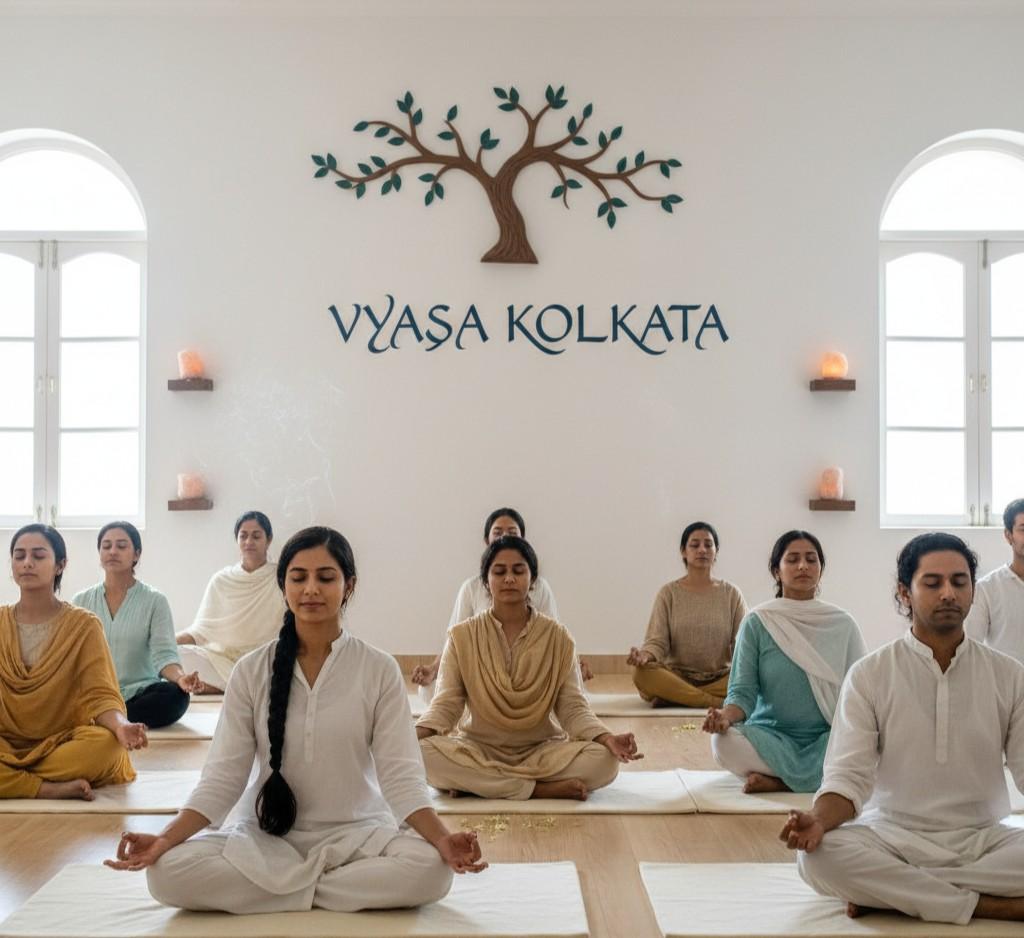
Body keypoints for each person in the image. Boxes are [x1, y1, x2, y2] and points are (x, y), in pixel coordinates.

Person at [106, 526, 486, 912]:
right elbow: (223, 777)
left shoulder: (378, 668)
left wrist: (442, 840)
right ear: (283, 585)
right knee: (168, 873)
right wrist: (164, 840)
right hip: (265, 834)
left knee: (431, 870)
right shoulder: (251, 670)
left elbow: (401, 776)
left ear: (349, 585)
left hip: (359, 834)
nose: (311, 589)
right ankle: (324, 891)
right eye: (299, 577)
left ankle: (284, 891)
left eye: (326, 578)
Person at [783, 532, 1024, 925]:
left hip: (985, 837)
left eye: (959, 582)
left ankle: (896, 894)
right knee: (818, 858)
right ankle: (989, 905)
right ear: (904, 592)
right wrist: (819, 821)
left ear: (973, 591)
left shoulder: (1010, 675)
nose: (948, 593)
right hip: (892, 836)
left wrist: (886, 884)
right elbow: (847, 778)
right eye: (932, 583)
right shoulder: (870, 674)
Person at [416, 535, 641, 801]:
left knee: (604, 762)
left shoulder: (559, 638)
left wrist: (607, 739)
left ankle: (480, 784)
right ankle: (538, 789)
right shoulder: (461, 637)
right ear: (486, 581)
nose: (509, 578)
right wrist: (409, 737)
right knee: (419, 754)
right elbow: (446, 705)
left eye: (518, 570)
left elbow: (572, 707)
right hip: (478, 749)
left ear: (532, 580)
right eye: (499, 572)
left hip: (541, 752)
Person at [702, 530, 864, 794]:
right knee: (723, 743)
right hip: (771, 737)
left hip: (826, 739)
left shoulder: (842, 624)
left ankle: (779, 781)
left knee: (870, 745)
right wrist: (724, 717)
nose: (803, 566)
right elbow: (742, 692)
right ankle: (813, 779)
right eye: (793, 559)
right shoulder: (758, 622)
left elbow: (860, 694)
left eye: (811, 559)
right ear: (777, 571)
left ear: (820, 569)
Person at [1, 524, 147, 801]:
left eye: (38, 555)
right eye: (19, 556)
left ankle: (14, 779)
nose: (27, 563)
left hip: (62, 741)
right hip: (5, 741)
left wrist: (120, 726)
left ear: (60, 565)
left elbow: (100, 695)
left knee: (106, 746)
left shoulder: (83, 625)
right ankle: (46, 788)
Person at [72, 522, 203, 728]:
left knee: (176, 696)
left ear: (136, 554)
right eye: (106, 546)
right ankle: (111, 718)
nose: (113, 551)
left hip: (139, 693)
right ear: (100, 553)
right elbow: (73, 657)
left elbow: (165, 655)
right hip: (94, 693)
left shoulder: (155, 601)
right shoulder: (81, 600)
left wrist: (181, 679)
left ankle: (106, 718)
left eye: (121, 546)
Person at [627, 521, 746, 708]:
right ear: (683, 551)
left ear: (716, 551)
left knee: (755, 676)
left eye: (708, 545)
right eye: (695, 545)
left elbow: (743, 643)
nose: (702, 550)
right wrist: (644, 656)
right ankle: (713, 702)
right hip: (677, 676)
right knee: (640, 673)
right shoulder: (668, 593)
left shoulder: (731, 594)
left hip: (720, 678)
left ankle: (676, 697)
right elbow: (657, 641)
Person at [177, 510, 287, 693]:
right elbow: (200, 632)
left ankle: (226, 687)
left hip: (264, 661)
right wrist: (166, 643)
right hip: (222, 660)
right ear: (237, 540)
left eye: (256, 536)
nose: (249, 542)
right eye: (243, 536)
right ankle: (236, 687)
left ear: (268, 540)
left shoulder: (281, 578)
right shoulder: (221, 580)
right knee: (177, 654)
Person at [965, 497, 1024, 664]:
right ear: (1008, 535)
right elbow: (971, 648)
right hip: (1003, 680)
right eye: (1023, 529)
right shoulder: (986, 589)